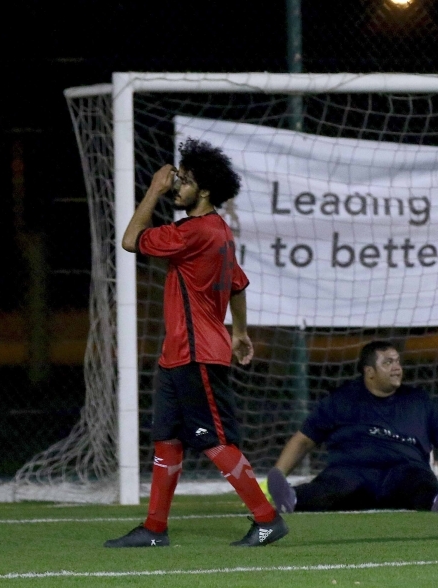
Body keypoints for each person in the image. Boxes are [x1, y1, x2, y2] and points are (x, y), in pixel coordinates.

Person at [105, 139, 287, 548]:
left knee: (215, 440)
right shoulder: (219, 229)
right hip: (177, 355)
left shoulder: (194, 231)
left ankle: (266, 518)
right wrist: (239, 332)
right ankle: (154, 529)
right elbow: (238, 283)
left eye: (183, 181)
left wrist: (152, 189)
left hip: (197, 354)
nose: (175, 187)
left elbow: (131, 240)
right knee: (167, 439)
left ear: (203, 190)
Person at [264, 340, 438, 514]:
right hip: (353, 471)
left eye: (397, 361)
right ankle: (292, 498)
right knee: (332, 486)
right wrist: (276, 475)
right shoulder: (341, 399)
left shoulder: (418, 400)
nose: (397, 367)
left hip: (402, 471)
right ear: (369, 372)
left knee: (418, 481)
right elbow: (303, 440)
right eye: (388, 362)